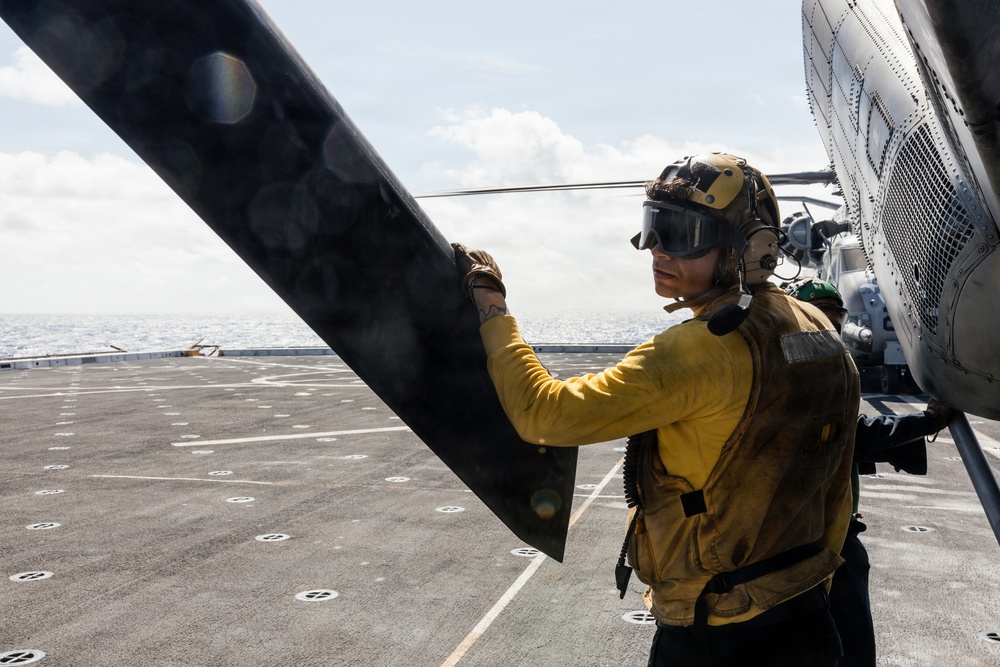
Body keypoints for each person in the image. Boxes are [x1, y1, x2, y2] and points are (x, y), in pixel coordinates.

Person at [454, 152, 860, 667]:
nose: (656, 250)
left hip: (720, 635)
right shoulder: (816, 326)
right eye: (653, 228)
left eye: (682, 234)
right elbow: (838, 486)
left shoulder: (699, 350)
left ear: (750, 249)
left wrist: (493, 307)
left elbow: (544, 414)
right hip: (806, 618)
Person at [785, 277, 955, 667]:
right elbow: (848, 435)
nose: (827, 330)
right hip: (817, 541)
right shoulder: (796, 377)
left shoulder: (817, 370)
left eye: (833, 320)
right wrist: (924, 422)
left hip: (821, 532)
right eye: (818, 320)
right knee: (849, 646)